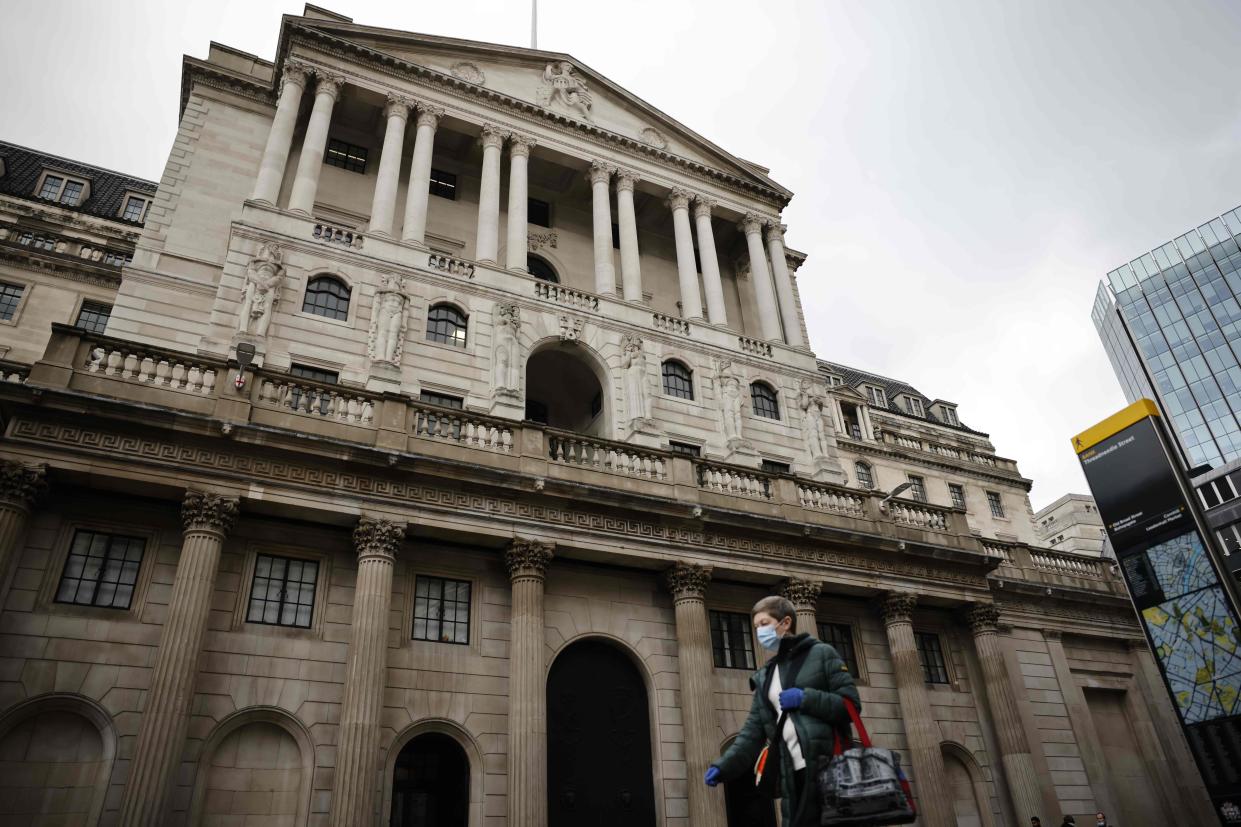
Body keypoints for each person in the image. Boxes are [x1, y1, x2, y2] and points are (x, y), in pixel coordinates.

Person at [703, 595, 860, 826]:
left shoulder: (822, 654)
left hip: (830, 768)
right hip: (791, 776)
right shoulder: (765, 676)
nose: (759, 633)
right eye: (756, 627)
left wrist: (805, 698)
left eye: (764, 624)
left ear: (785, 623)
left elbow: (851, 705)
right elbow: (751, 734)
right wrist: (724, 766)